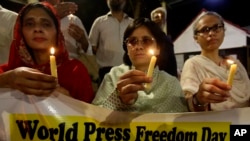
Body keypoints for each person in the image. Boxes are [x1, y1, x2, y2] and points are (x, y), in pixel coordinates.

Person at [0, 2, 94, 103]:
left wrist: (69, 103)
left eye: (46, 24)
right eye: (30, 24)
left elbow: (91, 115)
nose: (37, 29)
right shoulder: (9, 73)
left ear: (57, 31)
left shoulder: (75, 71)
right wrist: (5, 81)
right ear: (20, 31)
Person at [92, 18, 188, 113]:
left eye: (146, 41)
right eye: (133, 41)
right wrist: (117, 99)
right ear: (126, 48)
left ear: (158, 48)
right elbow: (95, 116)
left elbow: (182, 121)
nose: (139, 47)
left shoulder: (171, 83)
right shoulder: (113, 76)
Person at [180, 11, 250, 112]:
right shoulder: (193, 64)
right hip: (215, 125)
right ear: (196, 38)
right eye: (205, 30)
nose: (211, 33)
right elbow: (188, 102)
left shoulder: (235, 64)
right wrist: (198, 99)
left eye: (216, 27)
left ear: (223, 32)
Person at [89, 0, 133, 85]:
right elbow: (91, 48)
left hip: (128, 71)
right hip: (106, 73)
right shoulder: (99, 22)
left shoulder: (132, 23)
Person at [150, 7, 178, 78]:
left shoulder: (167, 39)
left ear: (164, 21)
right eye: (156, 16)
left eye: (162, 16)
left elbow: (172, 61)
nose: (159, 19)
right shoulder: (148, 38)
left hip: (168, 77)